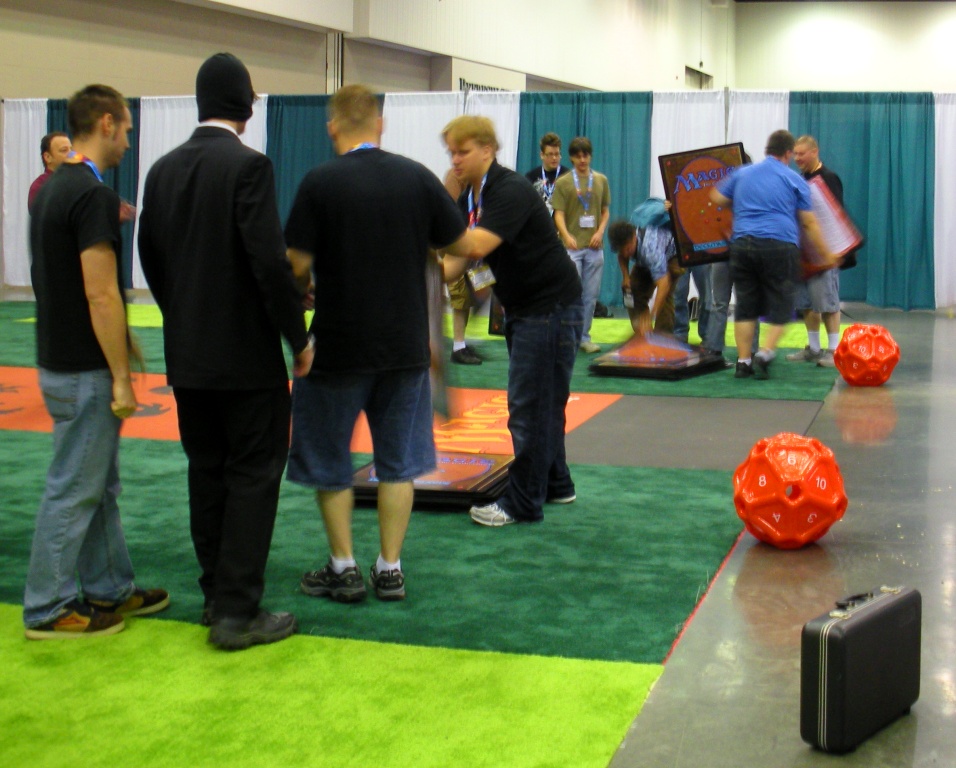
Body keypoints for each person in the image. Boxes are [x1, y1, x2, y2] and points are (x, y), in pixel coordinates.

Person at [138, 53, 313, 651]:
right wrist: (298, 336)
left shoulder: (160, 171)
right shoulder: (249, 167)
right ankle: (239, 611)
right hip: (245, 360)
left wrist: (182, 316)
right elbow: (268, 263)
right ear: (246, 103)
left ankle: (216, 596)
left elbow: (151, 258)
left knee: (205, 471)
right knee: (252, 476)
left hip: (188, 356)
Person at [285, 84, 472, 601]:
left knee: (330, 458)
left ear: (332, 128)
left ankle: (343, 564)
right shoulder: (415, 177)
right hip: (405, 347)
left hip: (337, 347)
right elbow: (457, 243)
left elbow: (294, 267)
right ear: (381, 124)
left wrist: (304, 295)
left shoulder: (319, 182)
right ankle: (389, 567)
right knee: (399, 463)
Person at [24, 84, 168, 640]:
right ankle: (48, 606)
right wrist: (122, 377)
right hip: (84, 368)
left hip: (58, 358)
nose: (129, 140)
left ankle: (108, 586)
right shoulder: (91, 196)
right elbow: (101, 294)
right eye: (127, 128)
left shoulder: (53, 189)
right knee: (75, 486)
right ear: (105, 123)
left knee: (95, 483)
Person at [442, 115, 583, 528]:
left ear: (488, 150)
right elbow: (453, 265)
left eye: (463, 151)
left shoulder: (508, 190)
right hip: (531, 307)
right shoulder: (479, 195)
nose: (455, 160)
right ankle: (557, 482)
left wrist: (431, 214)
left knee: (529, 406)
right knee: (546, 401)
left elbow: (473, 246)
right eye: (451, 152)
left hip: (548, 307)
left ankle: (522, 503)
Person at [710, 129, 837, 380]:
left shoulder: (742, 173)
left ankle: (743, 361)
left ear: (767, 150)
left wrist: (738, 203)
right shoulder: (794, 179)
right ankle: (765, 353)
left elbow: (716, 197)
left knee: (745, 306)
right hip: (779, 246)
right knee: (782, 304)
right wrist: (827, 254)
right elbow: (809, 223)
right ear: (788, 153)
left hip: (742, 245)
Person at [786, 135, 845, 368]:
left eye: (801, 154)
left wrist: (832, 252)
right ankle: (813, 348)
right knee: (805, 303)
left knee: (828, 303)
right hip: (803, 254)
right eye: (795, 154)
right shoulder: (800, 179)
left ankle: (834, 352)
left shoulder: (829, 178)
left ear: (815, 152)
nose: (797, 158)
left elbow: (836, 216)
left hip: (824, 254)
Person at [551, 136, 610, 354]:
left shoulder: (601, 180)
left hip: (595, 248)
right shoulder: (564, 182)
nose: (582, 159)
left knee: (590, 296)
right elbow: (558, 213)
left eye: (585, 155)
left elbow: (605, 211)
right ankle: (567, 337)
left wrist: (600, 232)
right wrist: (566, 235)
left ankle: (584, 337)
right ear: (572, 158)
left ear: (590, 156)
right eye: (577, 156)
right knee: (570, 294)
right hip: (572, 248)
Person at [607, 198, 683, 336]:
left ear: (633, 238)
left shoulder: (650, 249)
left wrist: (653, 311)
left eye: (628, 249)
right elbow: (622, 256)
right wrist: (625, 277)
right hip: (645, 259)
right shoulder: (626, 243)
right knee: (632, 290)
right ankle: (643, 334)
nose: (625, 253)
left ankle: (663, 338)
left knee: (664, 300)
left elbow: (663, 283)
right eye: (622, 250)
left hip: (672, 257)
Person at [443, 168, 483, 365]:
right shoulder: (456, 177)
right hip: (459, 246)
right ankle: (458, 346)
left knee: (473, 296)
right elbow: (449, 213)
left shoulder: (483, 184)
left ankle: (461, 343)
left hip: (478, 248)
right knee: (460, 298)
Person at [524, 132, 570, 216]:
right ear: (542, 155)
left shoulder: (568, 176)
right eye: (550, 154)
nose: (554, 158)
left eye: (557, 154)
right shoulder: (531, 177)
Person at [28, 131, 72, 213]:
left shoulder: (77, 182)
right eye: (64, 150)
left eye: (71, 149)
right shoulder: (40, 187)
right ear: (48, 157)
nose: (71, 154)